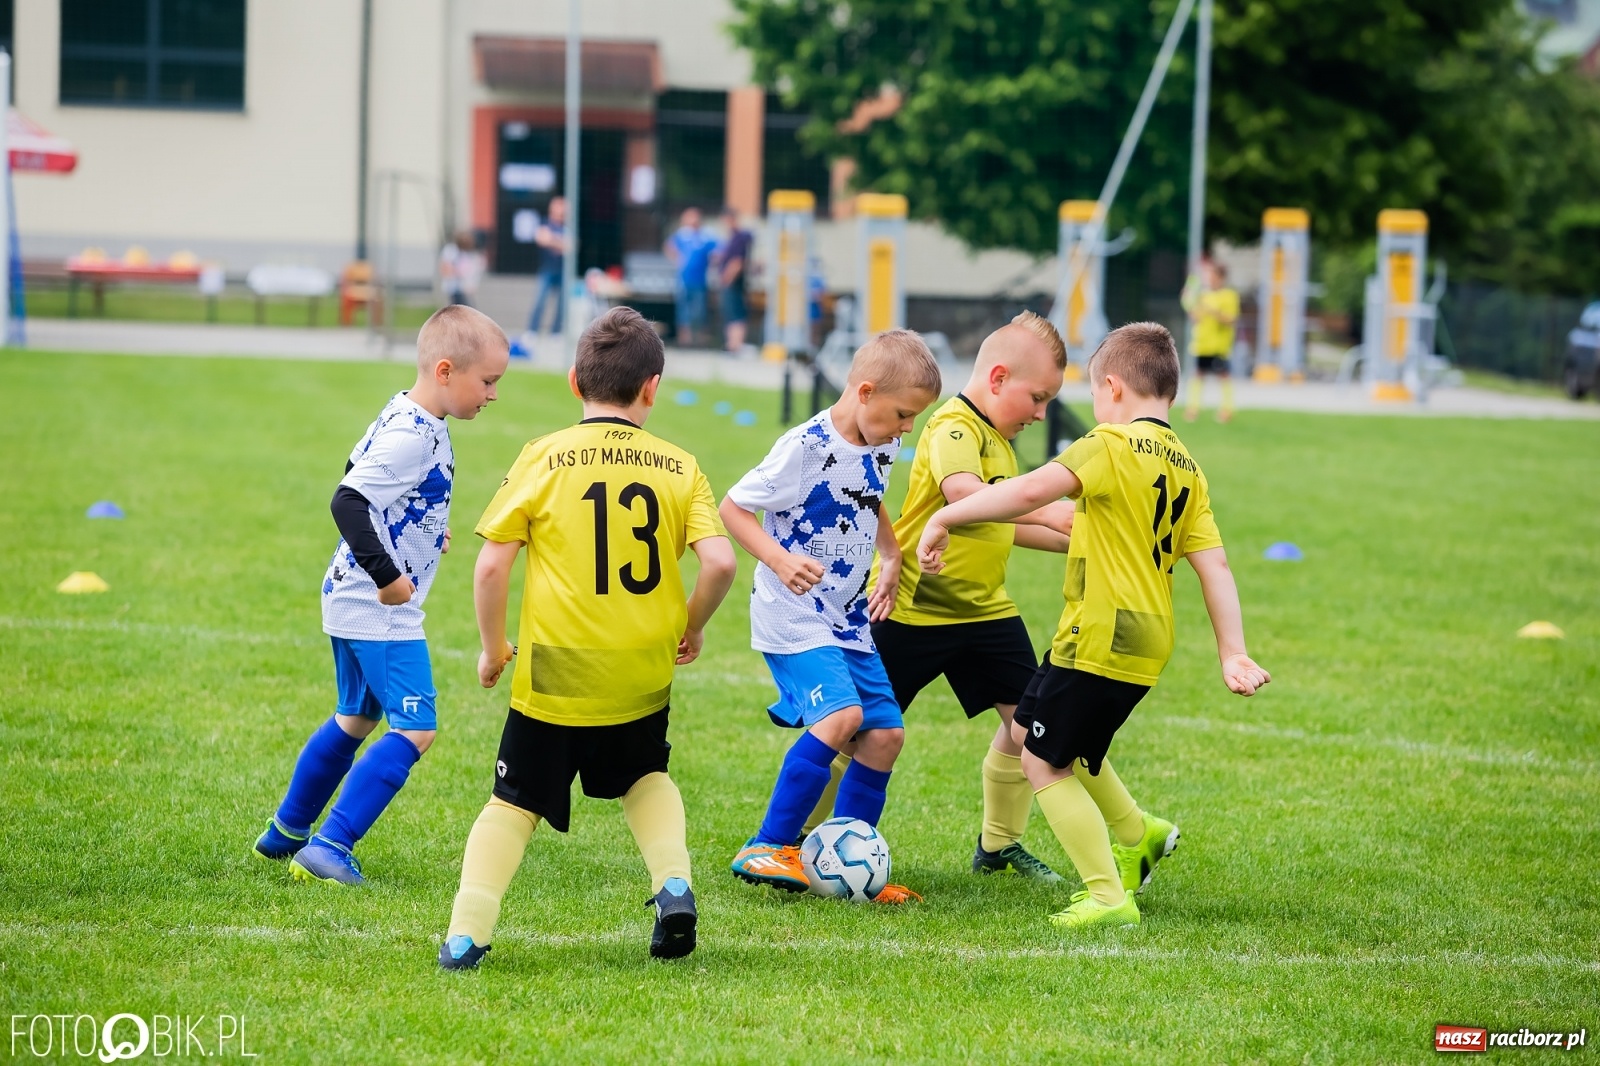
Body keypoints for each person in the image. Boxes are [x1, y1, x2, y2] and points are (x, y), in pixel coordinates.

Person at [918, 322, 1270, 930]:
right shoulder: (1189, 468)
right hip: (1147, 638)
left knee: (1041, 761)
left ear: (1111, 389)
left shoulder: (1107, 445)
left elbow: (1026, 493)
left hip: (1099, 633)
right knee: (1032, 727)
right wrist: (1232, 651)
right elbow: (1215, 567)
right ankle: (1138, 835)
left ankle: (1107, 893)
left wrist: (945, 517)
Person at [439, 306, 737, 969]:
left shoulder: (543, 456)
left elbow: (492, 564)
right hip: (642, 670)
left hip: (556, 673)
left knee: (513, 803)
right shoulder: (680, 466)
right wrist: (692, 626)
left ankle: (467, 934)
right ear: (652, 387)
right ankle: (675, 885)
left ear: (575, 381)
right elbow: (720, 563)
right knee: (644, 775)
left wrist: (492, 649)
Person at [800, 312, 1077, 881]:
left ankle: (998, 846)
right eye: (1039, 397)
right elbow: (963, 495)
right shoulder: (954, 427)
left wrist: (1082, 541)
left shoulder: (1000, 442)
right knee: (858, 730)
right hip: (911, 609)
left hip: (984, 613)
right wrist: (1051, 506)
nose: (1043, 413)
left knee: (1031, 727)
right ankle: (799, 842)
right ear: (998, 378)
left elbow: (995, 523)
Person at [252, 305, 511, 885]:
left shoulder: (407, 411)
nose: (493, 395)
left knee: (355, 717)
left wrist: (419, 525)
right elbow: (348, 498)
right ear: (446, 370)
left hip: (346, 597)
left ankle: (286, 832)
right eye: (488, 382)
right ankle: (329, 847)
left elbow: (358, 467)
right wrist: (391, 576)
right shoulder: (412, 435)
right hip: (378, 606)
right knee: (416, 728)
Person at [722, 330, 942, 903]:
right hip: (792, 613)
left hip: (847, 616)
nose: (906, 429)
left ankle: (851, 865)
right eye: (901, 414)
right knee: (843, 718)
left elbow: (867, 497)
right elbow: (734, 506)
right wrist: (777, 557)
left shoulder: (880, 441)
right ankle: (768, 844)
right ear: (864, 391)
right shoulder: (806, 446)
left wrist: (891, 554)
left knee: (885, 736)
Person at [1184, 258, 1240, 422]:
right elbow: (1195, 316)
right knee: (1198, 376)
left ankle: (1226, 410)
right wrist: (1190, 304)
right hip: (1202, 345)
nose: (1209, 278)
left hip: (1219, 346)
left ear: (1221, 277)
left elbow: (1231, 319)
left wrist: (1213, 312)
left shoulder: (1229, 296)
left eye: (1213, 275)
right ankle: (1192, 409)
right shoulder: (1203, 295)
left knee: (1223, 377)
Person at [665, 207, 716, 347]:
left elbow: (717, 251)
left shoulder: (705, 236)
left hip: (700, 280)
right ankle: (685, 338)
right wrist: (677, 259)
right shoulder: (681, 235)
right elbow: (669, 246)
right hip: (683, 279)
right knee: (684, 309)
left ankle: (700, 338)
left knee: (700, 310)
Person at [714, 206, 754, 353]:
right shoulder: (733, 238)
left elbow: (737, 262)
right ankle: (732, 344)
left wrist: (727, 279)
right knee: (730, 313)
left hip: (733, 283)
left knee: (735, 313)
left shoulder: (739, 238)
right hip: (731, 282)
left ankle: (735, 345)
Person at [529, 197, 570, 338]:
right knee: (540, 300)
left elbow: (570, 247)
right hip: (547, 268)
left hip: (563, 270)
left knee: (562, 304)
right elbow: (542, 239)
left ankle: (556, 332)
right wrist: (559, 242)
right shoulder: (544, 222)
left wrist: (552, 240)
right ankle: (532, 330)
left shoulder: (568, 226)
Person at [440, 230, 486, 308]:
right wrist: (457, 271)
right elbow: (445, 268)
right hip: (454, 287)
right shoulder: (450, 251)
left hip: (465, 288)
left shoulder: (469, 253)